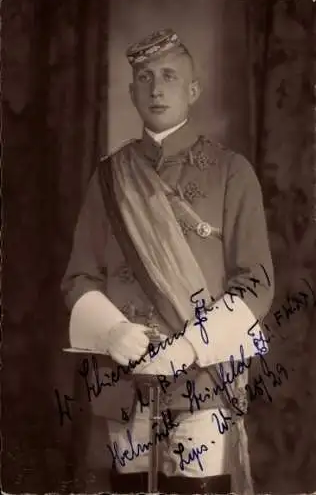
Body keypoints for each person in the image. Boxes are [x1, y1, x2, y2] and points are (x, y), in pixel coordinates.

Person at [61, 29, 274, 495]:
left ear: (193, 90)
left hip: (203, 377)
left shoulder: (231, 172)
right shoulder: (109, 178)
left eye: (170, 76)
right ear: (132, 91)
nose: (157, 88)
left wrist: (193, 344)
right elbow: (79, 277)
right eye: (145, 77)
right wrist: (113, 331)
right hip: (124, 377)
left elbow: (255, 283)